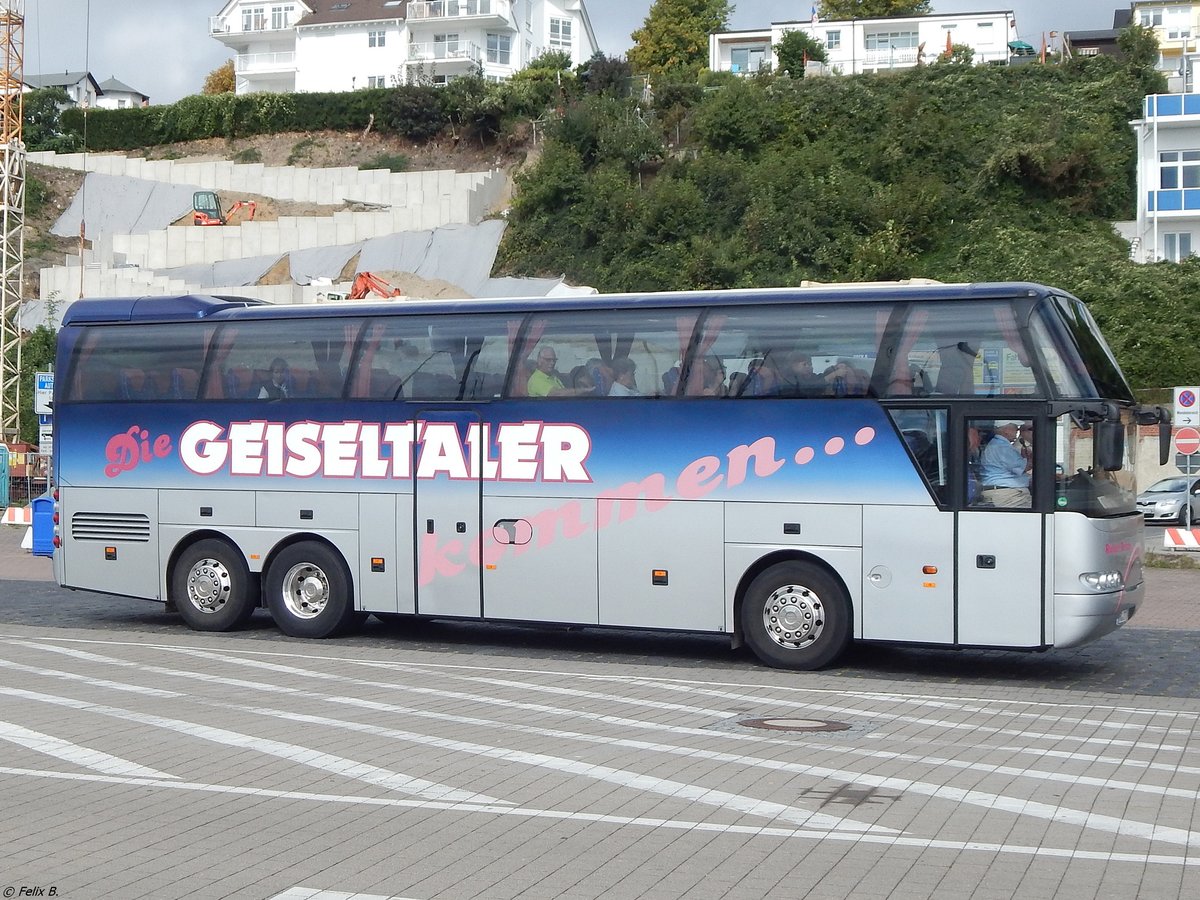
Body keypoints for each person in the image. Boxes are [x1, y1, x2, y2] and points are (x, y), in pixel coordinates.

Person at [978, 420, 1032, 508]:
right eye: (1015, 429)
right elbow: (1024, 467)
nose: (1017, 432)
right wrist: (1030, 458)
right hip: (1009, 494)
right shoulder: (1003, 447)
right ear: (1006, 430)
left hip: (1000, 491)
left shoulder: (994, 445)